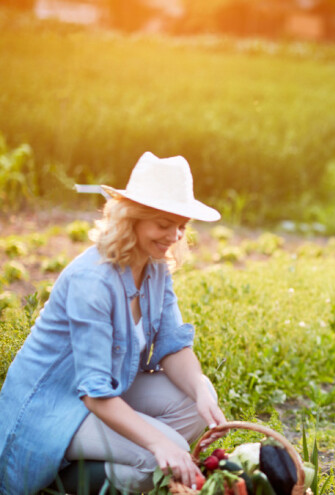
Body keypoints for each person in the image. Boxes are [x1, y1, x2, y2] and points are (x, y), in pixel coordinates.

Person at [0, 152, 227, 494]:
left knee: (192, 410)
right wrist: (159, 444)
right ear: (131, 218)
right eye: (163, 224)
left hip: (109, 389)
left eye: (181, 226)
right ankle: (63, 481)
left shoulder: (154, 269)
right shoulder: (92, 280)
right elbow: (93, 392)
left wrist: (199, 387)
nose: (174, 236)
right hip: (55, 404)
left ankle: (104, 455)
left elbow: (172, 345)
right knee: (161, 456)